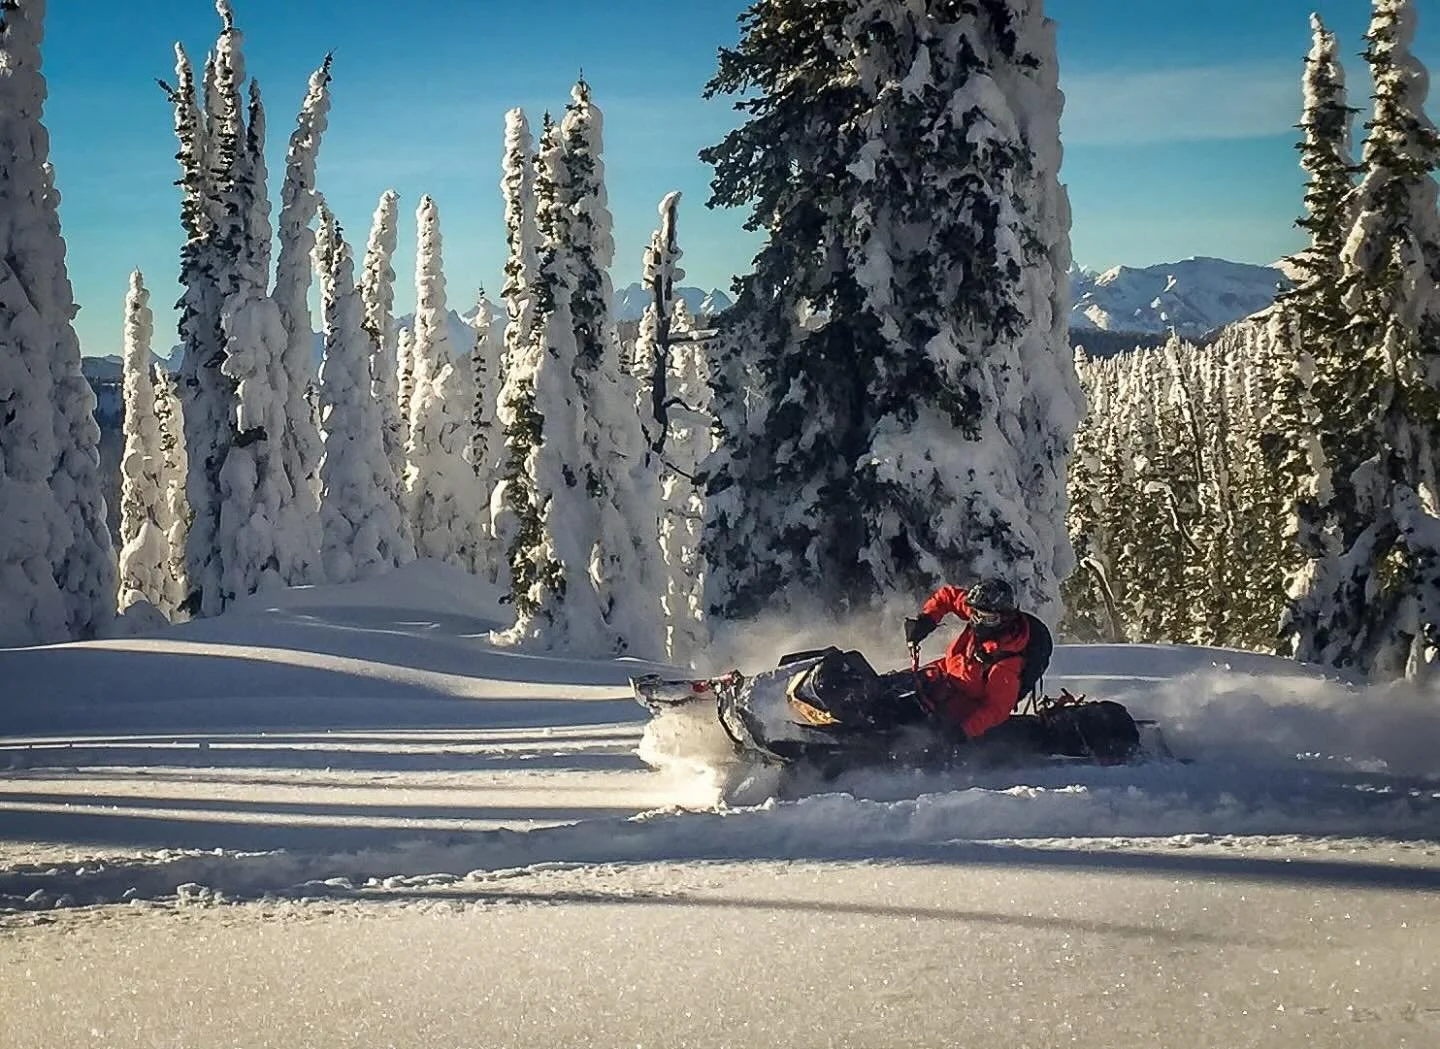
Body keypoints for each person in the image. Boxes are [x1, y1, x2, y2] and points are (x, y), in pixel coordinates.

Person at [903, 578, 1032, 742]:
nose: (978, 622)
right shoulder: (980, 614)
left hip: (961, 705)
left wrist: (964, 731)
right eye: (975, 615)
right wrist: (927, 619)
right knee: (892, 688)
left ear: (1004, 619)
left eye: (987, 618)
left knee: (911, 723)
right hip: (943, 674)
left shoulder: (1005, 663)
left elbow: (996, 709)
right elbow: (948, 596)